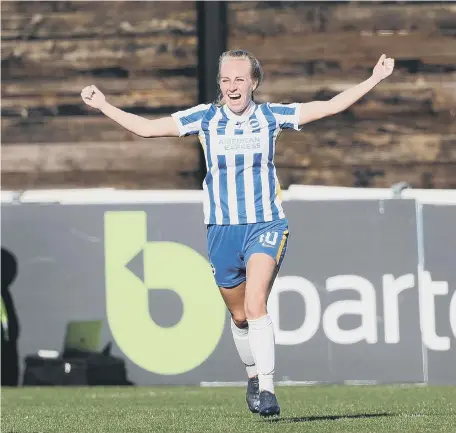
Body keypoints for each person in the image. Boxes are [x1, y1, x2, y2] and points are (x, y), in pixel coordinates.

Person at [81, 49, 394, 416]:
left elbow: (328, 106)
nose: (232, 87)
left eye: (240, 79)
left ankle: (268, 388)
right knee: (240, 316)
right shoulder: (205, 118)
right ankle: (252, 375)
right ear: (220, 84)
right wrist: (104, 105)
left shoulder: (271, 115)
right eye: (226, 79)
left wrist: (373, 79)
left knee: (256, 303)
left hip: (266, 225)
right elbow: (148, 129)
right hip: (221, 231)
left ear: (253, 83)